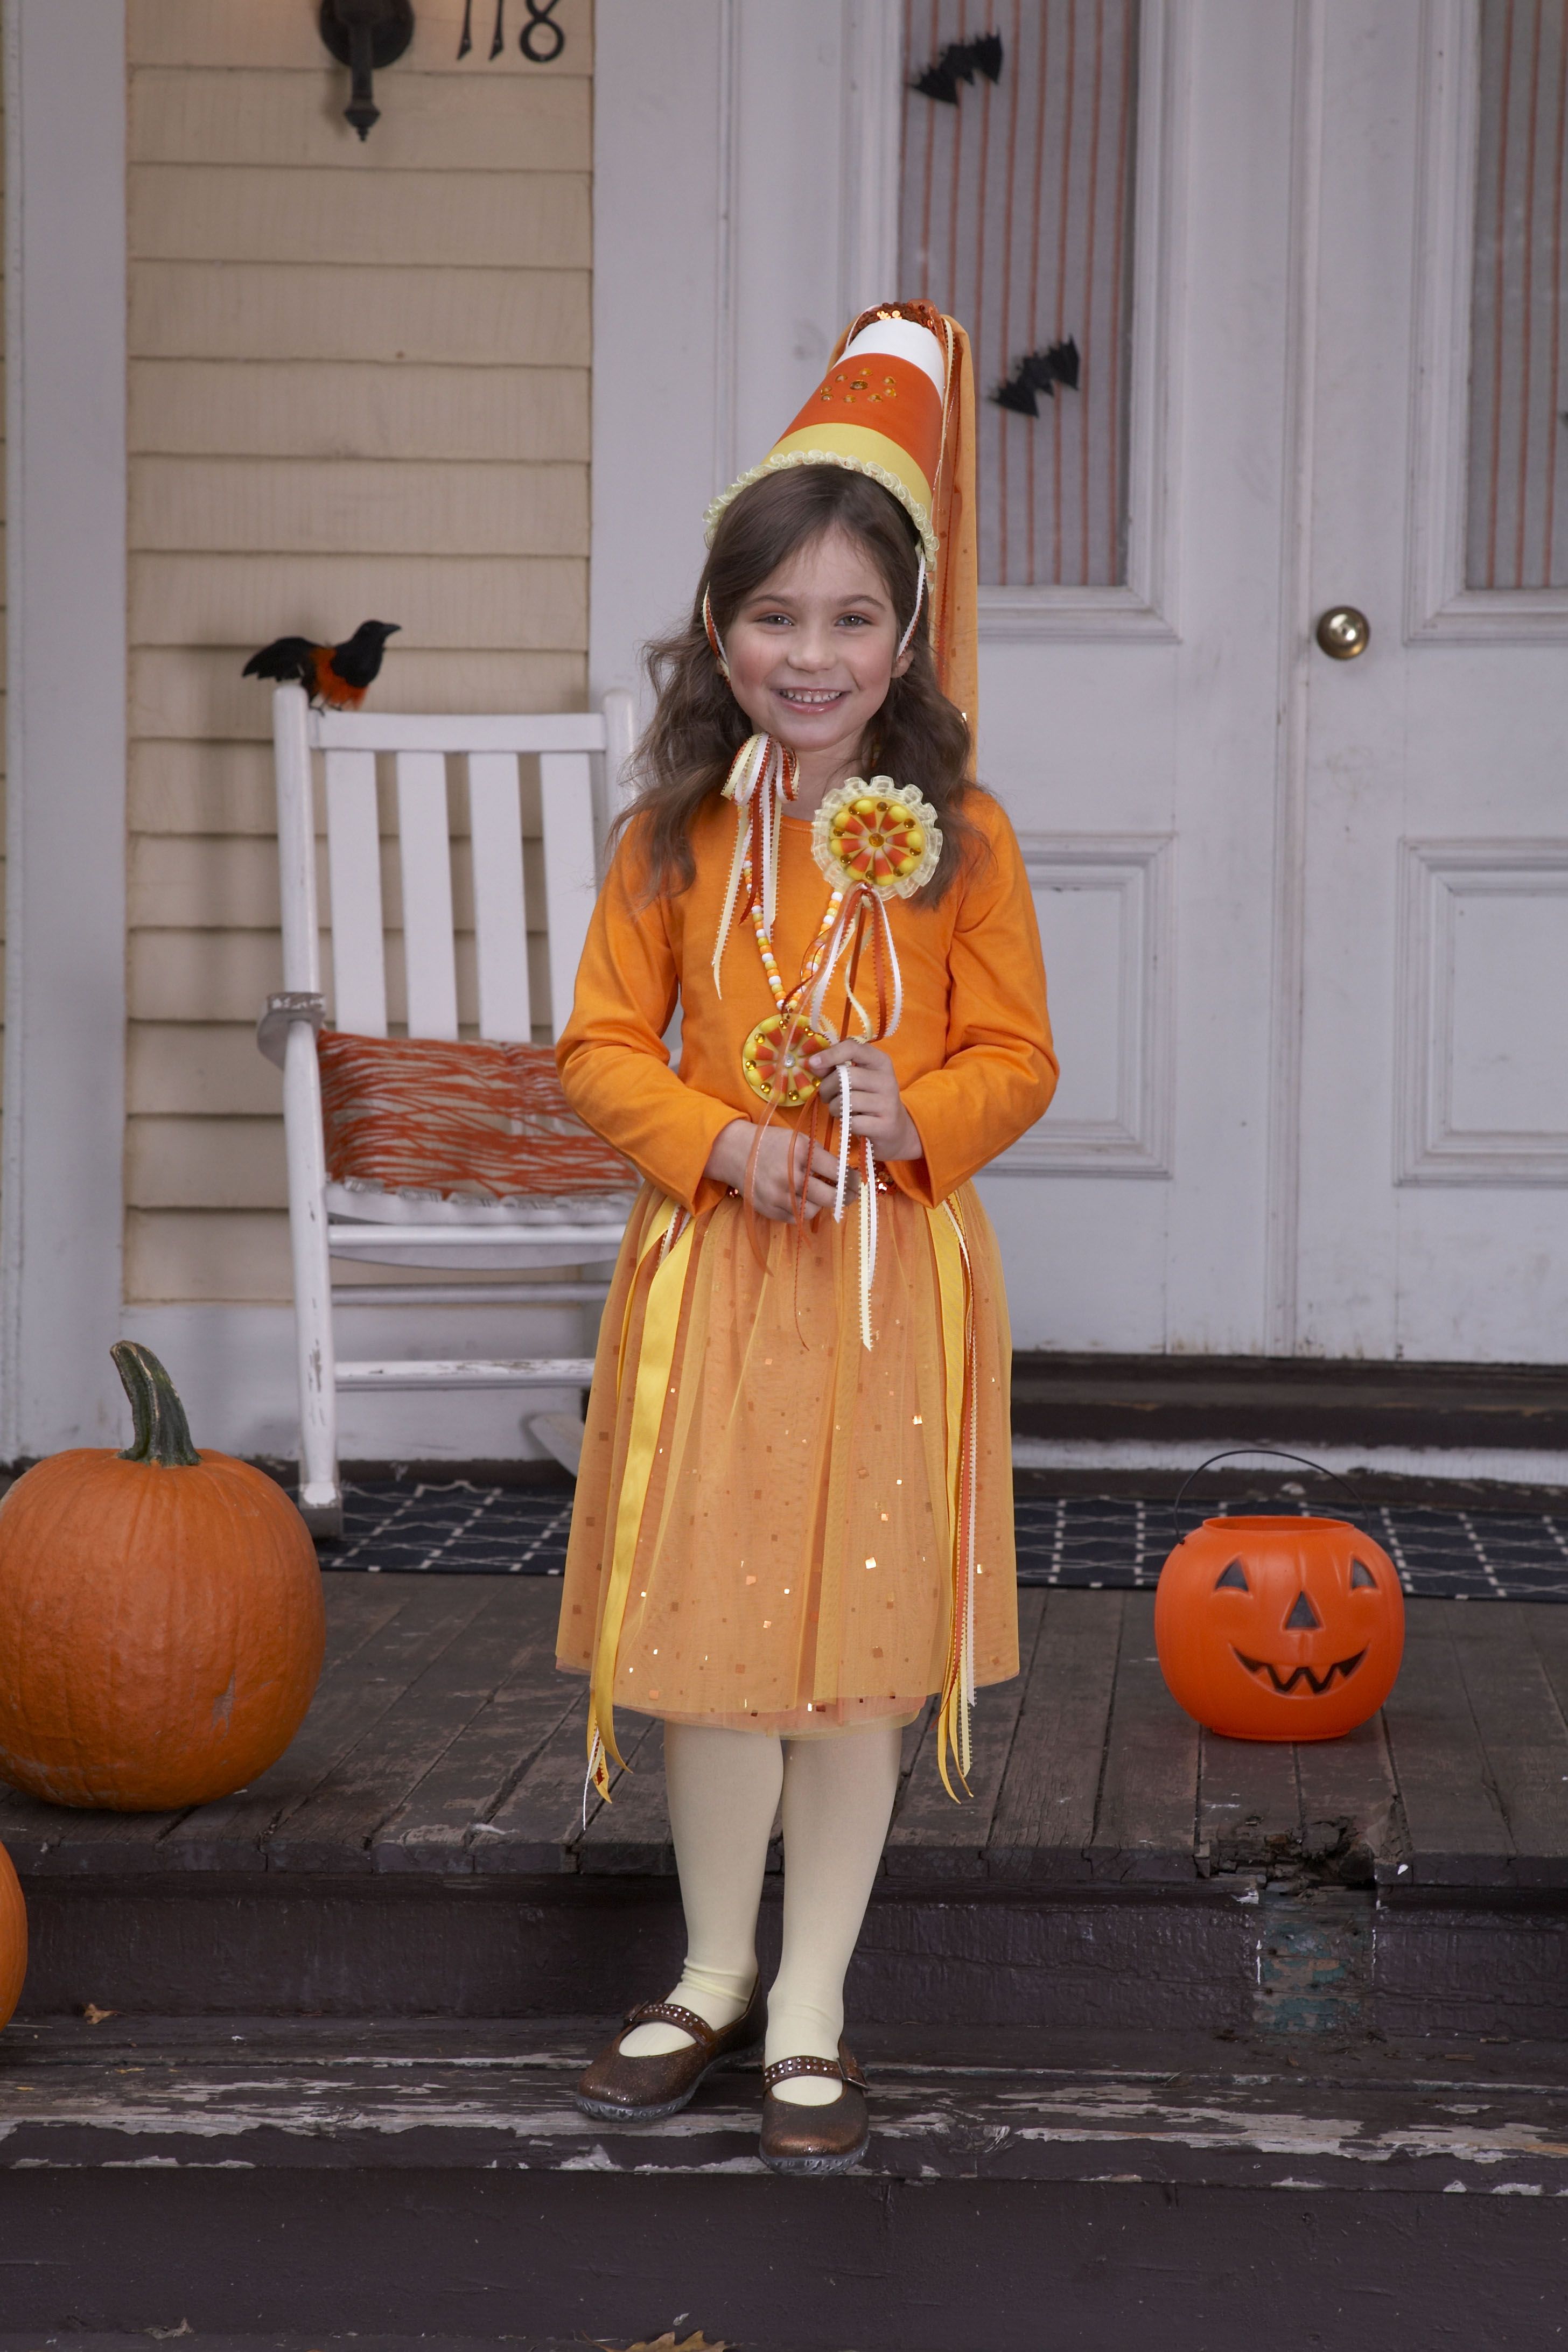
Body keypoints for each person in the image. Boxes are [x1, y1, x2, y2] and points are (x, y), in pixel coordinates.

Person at [553, 300, 1056, 2175]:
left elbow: (1020, 1053)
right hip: (720, 1285)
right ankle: (710, 1967)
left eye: (853, 619)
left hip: (884, 1303)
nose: (812, 653)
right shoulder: (676, 835)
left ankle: (821, 1996)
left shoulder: (960, 840)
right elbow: (600, 1050)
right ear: (719, 628)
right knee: (706, 1644)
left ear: (904, 637)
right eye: (776, 618)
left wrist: (915, 1113)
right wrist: (720, 1147)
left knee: (850, 1648)